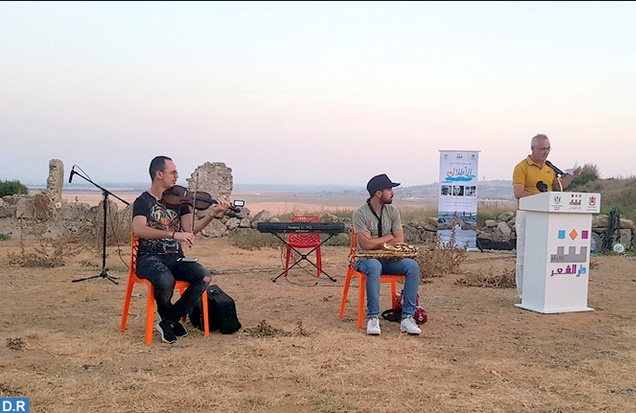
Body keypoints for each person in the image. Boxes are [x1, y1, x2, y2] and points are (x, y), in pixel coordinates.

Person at [132, 156, 231, 344]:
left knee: (204, 277)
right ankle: (171, 320)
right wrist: (172, 235)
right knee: (165, 280)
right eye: (173, 172)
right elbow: (139, 229)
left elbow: (189, 229)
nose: (177, 176)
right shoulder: (143, 201)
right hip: (149, 258)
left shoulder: (180, 201)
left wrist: (211, 214)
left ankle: (169, 321)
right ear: (159, 174)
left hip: (175, 258)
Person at [352, 173, 422, 336]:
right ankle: (373, 318)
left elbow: (399, 240)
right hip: (366, 259)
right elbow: (366, 246)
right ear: (378, 193)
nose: (392, 193)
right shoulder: (359, 214)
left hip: (390, 259)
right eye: (389, 189)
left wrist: (379, 240)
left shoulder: (393, 211)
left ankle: (407, 317)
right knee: (374, 266)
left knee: (413, 267)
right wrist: (388, 238)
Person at [512, 134, 581, 298]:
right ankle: (523, 293)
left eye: (548, 148)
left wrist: (572, 176)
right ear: (532, 149)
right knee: (525, 254)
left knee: (543, 253)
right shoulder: (521, 167)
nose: (546, 152)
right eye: (542, 149)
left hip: (546, 216)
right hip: (528, 215)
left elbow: (558, 188)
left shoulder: (550, 168)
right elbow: (518, 192)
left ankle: (541, 288)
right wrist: (541, 198)